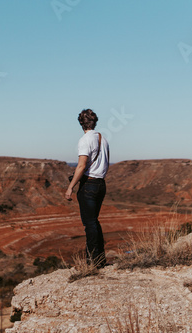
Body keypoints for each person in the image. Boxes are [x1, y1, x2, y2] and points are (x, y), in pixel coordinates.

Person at [65, 109, 110, 268]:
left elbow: (82, 165)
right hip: (101, 184)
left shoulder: (85, 140)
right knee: (94, 222)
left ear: (81, 123)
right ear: (95, 122)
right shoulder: (102, 139)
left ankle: (92, 262)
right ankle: (100, 259)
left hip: (89, 185)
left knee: (89, 224)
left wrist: (71, 187)